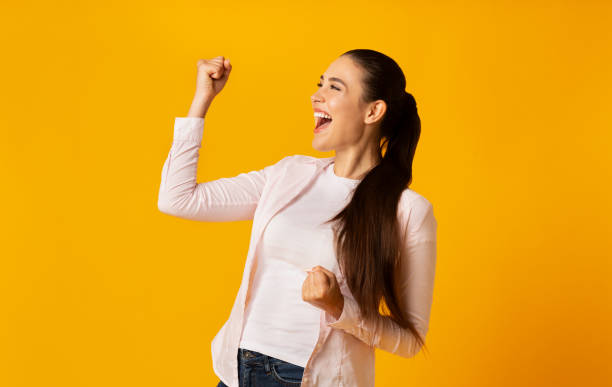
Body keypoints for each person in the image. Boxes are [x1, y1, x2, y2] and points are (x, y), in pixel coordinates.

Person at [157, 49, 437, 387]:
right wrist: (202, 99)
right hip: (237, 370)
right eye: (320, 84)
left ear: (373, 110)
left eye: (334, 87)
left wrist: (339, 307)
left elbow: (409, 340)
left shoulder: (407, 210)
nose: (315, 95)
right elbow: (178, 199)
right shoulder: (289, 174)